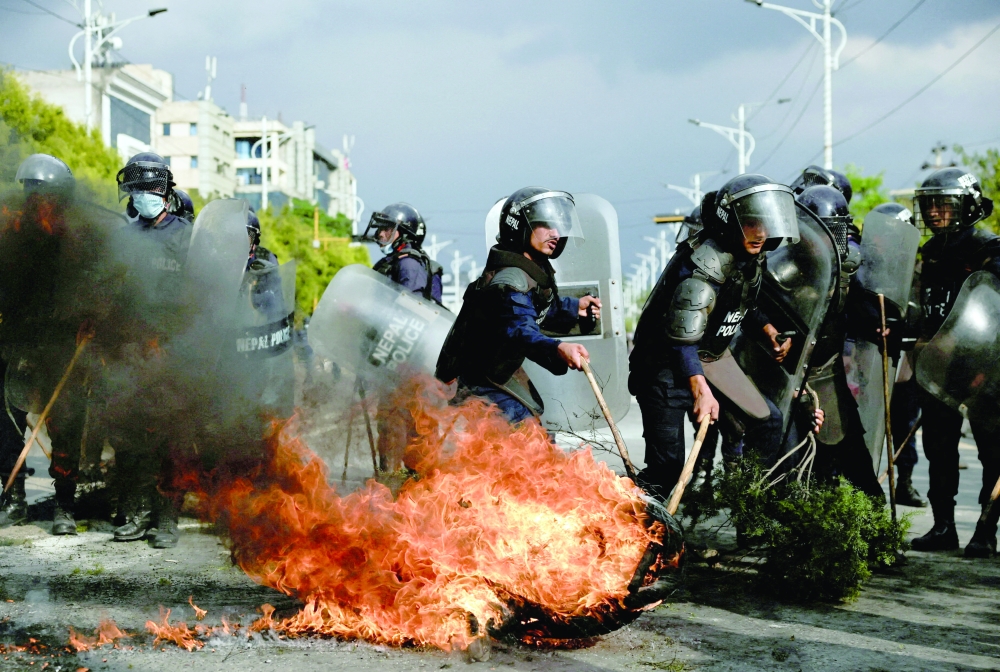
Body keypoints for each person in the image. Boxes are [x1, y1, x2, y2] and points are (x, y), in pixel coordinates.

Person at [628, 174, 808, 501]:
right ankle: (631, 529)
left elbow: (741, 305)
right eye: (753, 223)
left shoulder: (749, 259)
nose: (762, 233)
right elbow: (682, 338)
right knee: (667, 469)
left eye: (766, 224)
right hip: (663, 366)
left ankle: (754, 515)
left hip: (711, 357)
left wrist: (767, 330)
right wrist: (701, 391)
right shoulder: (704, 261)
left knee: (767, 422)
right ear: (731, 221)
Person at [436, 187, 600, 425]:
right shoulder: (510, 280)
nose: (555, 233)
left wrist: (575, 307)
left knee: (533, 443)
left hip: (495, 375)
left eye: (559, 226)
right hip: (477, 383)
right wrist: (558, 348)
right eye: (545, 225)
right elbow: (520, 330)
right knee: (527, 443)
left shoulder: (531, 270)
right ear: (519, 226)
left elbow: (531, 310)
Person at [910, 168, 1000, 557]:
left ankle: (985, 530)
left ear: (966, 205)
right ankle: (944, 527)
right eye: (928, 205)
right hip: (939, 367)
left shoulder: (991, 251)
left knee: (992, 451)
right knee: (939, 448)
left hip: (985, 369)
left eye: (942, 204)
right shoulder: (930, 254)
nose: (933, 213)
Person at [110, 152, 193, 549]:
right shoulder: (126, 236)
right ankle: (138, 513)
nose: (139, 196)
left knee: (168, 439)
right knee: (129, 439)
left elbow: (203, 298)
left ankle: (166, 519)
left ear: (162, 190)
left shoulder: (187, 236)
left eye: (145, 188)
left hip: (173, 353)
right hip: (130, 351)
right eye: (134, 190)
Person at [782, 184, 886, 499]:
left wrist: (882, 326)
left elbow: (862, 311)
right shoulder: (782, 270)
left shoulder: (846, 270)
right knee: (791, 464)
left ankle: (872, 528)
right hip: (786, 380)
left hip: (827, 375)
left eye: (831, 231)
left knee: (853, 458)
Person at [0, 154, 76, 528]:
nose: (35, 200)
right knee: (7, 420)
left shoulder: (78, 237)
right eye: (29, 191)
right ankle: (13, 498)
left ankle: (65, 503)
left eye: (43, 192)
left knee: (65, 424)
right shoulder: (10, 232)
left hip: (60, 344)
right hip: (15, 341)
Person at [872, 202, 927, 508]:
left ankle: (903, 481)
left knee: (904, 426)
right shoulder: (868, 271)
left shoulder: (920, 272)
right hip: (872, 360)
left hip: (908, 362)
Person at [365, 203, 443, 305]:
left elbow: (411, 309)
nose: (381, 234)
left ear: (404, 233)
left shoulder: (409, 264)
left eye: (387, 229)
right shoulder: (387, 262)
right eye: (380, 228)